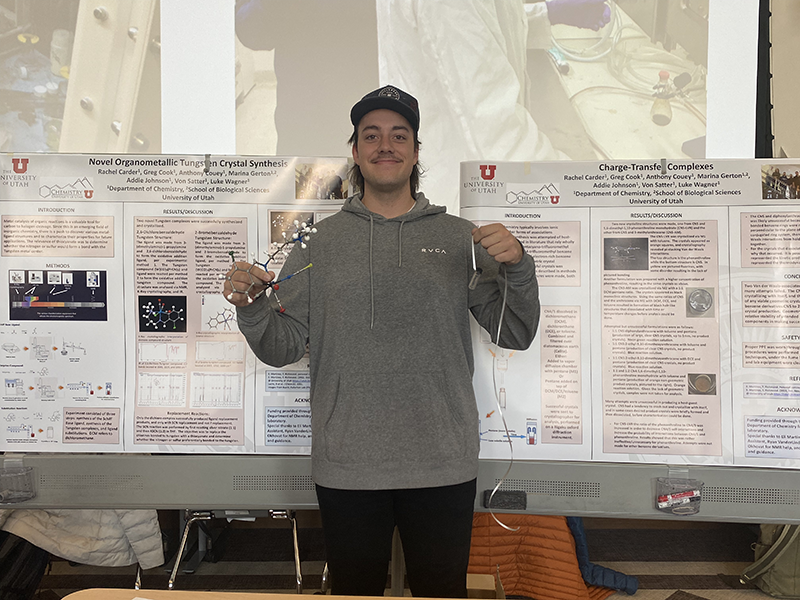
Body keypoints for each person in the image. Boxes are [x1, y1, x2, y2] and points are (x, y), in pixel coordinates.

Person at [223, 86, 541, 597]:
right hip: (348, 463)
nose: (385, 145)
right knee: (355, 593)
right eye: (371, 136)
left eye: (399, 135)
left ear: (416, 151)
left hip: (442, 460)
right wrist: (253, 307)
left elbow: (515, 331)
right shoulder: (317, 245)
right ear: (355, 151)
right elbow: (283, 347)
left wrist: (519, 268)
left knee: (441, 593)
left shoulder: (462, 238)